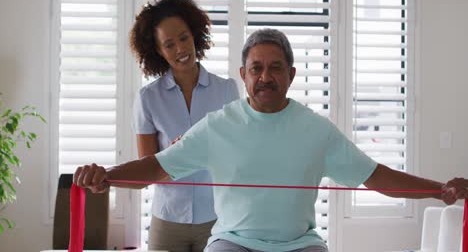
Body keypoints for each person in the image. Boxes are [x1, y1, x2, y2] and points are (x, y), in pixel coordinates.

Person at [74, 29, 468, 252]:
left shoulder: (316, 129)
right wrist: (105, 175)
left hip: (301, 245)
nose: (266, 77)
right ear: (242, 75)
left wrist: (439, 190)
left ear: (292, 75)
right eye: (256, 69)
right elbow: (157, 166)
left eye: (275, 68)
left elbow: (375, 176)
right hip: (232, 243)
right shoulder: (217, 126)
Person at [123, 0, 238, 252]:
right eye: (169, 44)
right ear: (158, 51)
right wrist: (173, 155)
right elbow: (146, 167)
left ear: (195, 34)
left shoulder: (227, 90)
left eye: (184, 38)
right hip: (168, 221)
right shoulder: (148, 98)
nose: (180, 50)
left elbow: (235, 156)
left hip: (217, 220)